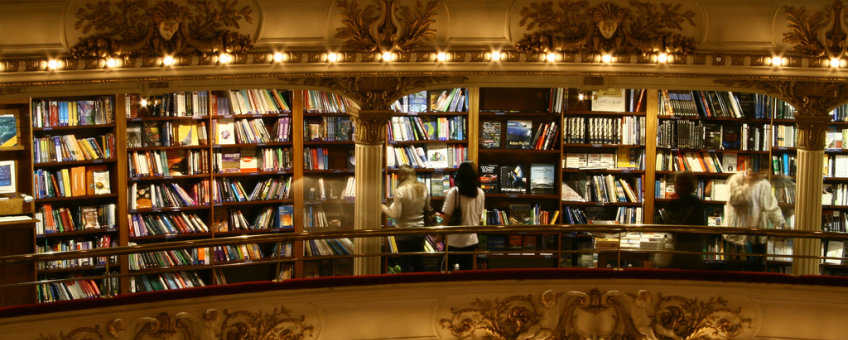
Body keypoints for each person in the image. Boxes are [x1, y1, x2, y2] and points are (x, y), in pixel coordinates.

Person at [724, 168, 787, 270]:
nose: (762, 175)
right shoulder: (736, 179)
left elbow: (772, 208)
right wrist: (749, 185)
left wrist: (782, 224)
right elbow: (733, 199)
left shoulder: (764, 184)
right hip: (737, 236)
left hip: (758, 236)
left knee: (756, 270)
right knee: (735, 271)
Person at [381, 165, 430, 273]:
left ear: (401, 176)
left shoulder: (400, 190)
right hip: (419, 231)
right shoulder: (423, 188)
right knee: (419, 262)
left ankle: (407, 288)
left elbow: (396, 215)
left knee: (406, 264)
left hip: (403, 233)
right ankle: (421, 286)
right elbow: (427, 208)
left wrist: (383, 208)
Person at [441, 161, 485, 271]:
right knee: (466, 274)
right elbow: (479, 217)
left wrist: (438, 235)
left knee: (444, 270)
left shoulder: (454, 192)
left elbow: (446, 218)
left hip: (453, 241)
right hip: (471, 240)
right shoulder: (480, 193)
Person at [660, 172, 707, 269]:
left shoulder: (678, 203)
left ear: (690, 186)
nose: (678, 186)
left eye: (681, 184)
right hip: (694, 247)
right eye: (677, 183)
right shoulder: (697, 202)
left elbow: (670, 225)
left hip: (682, 246)